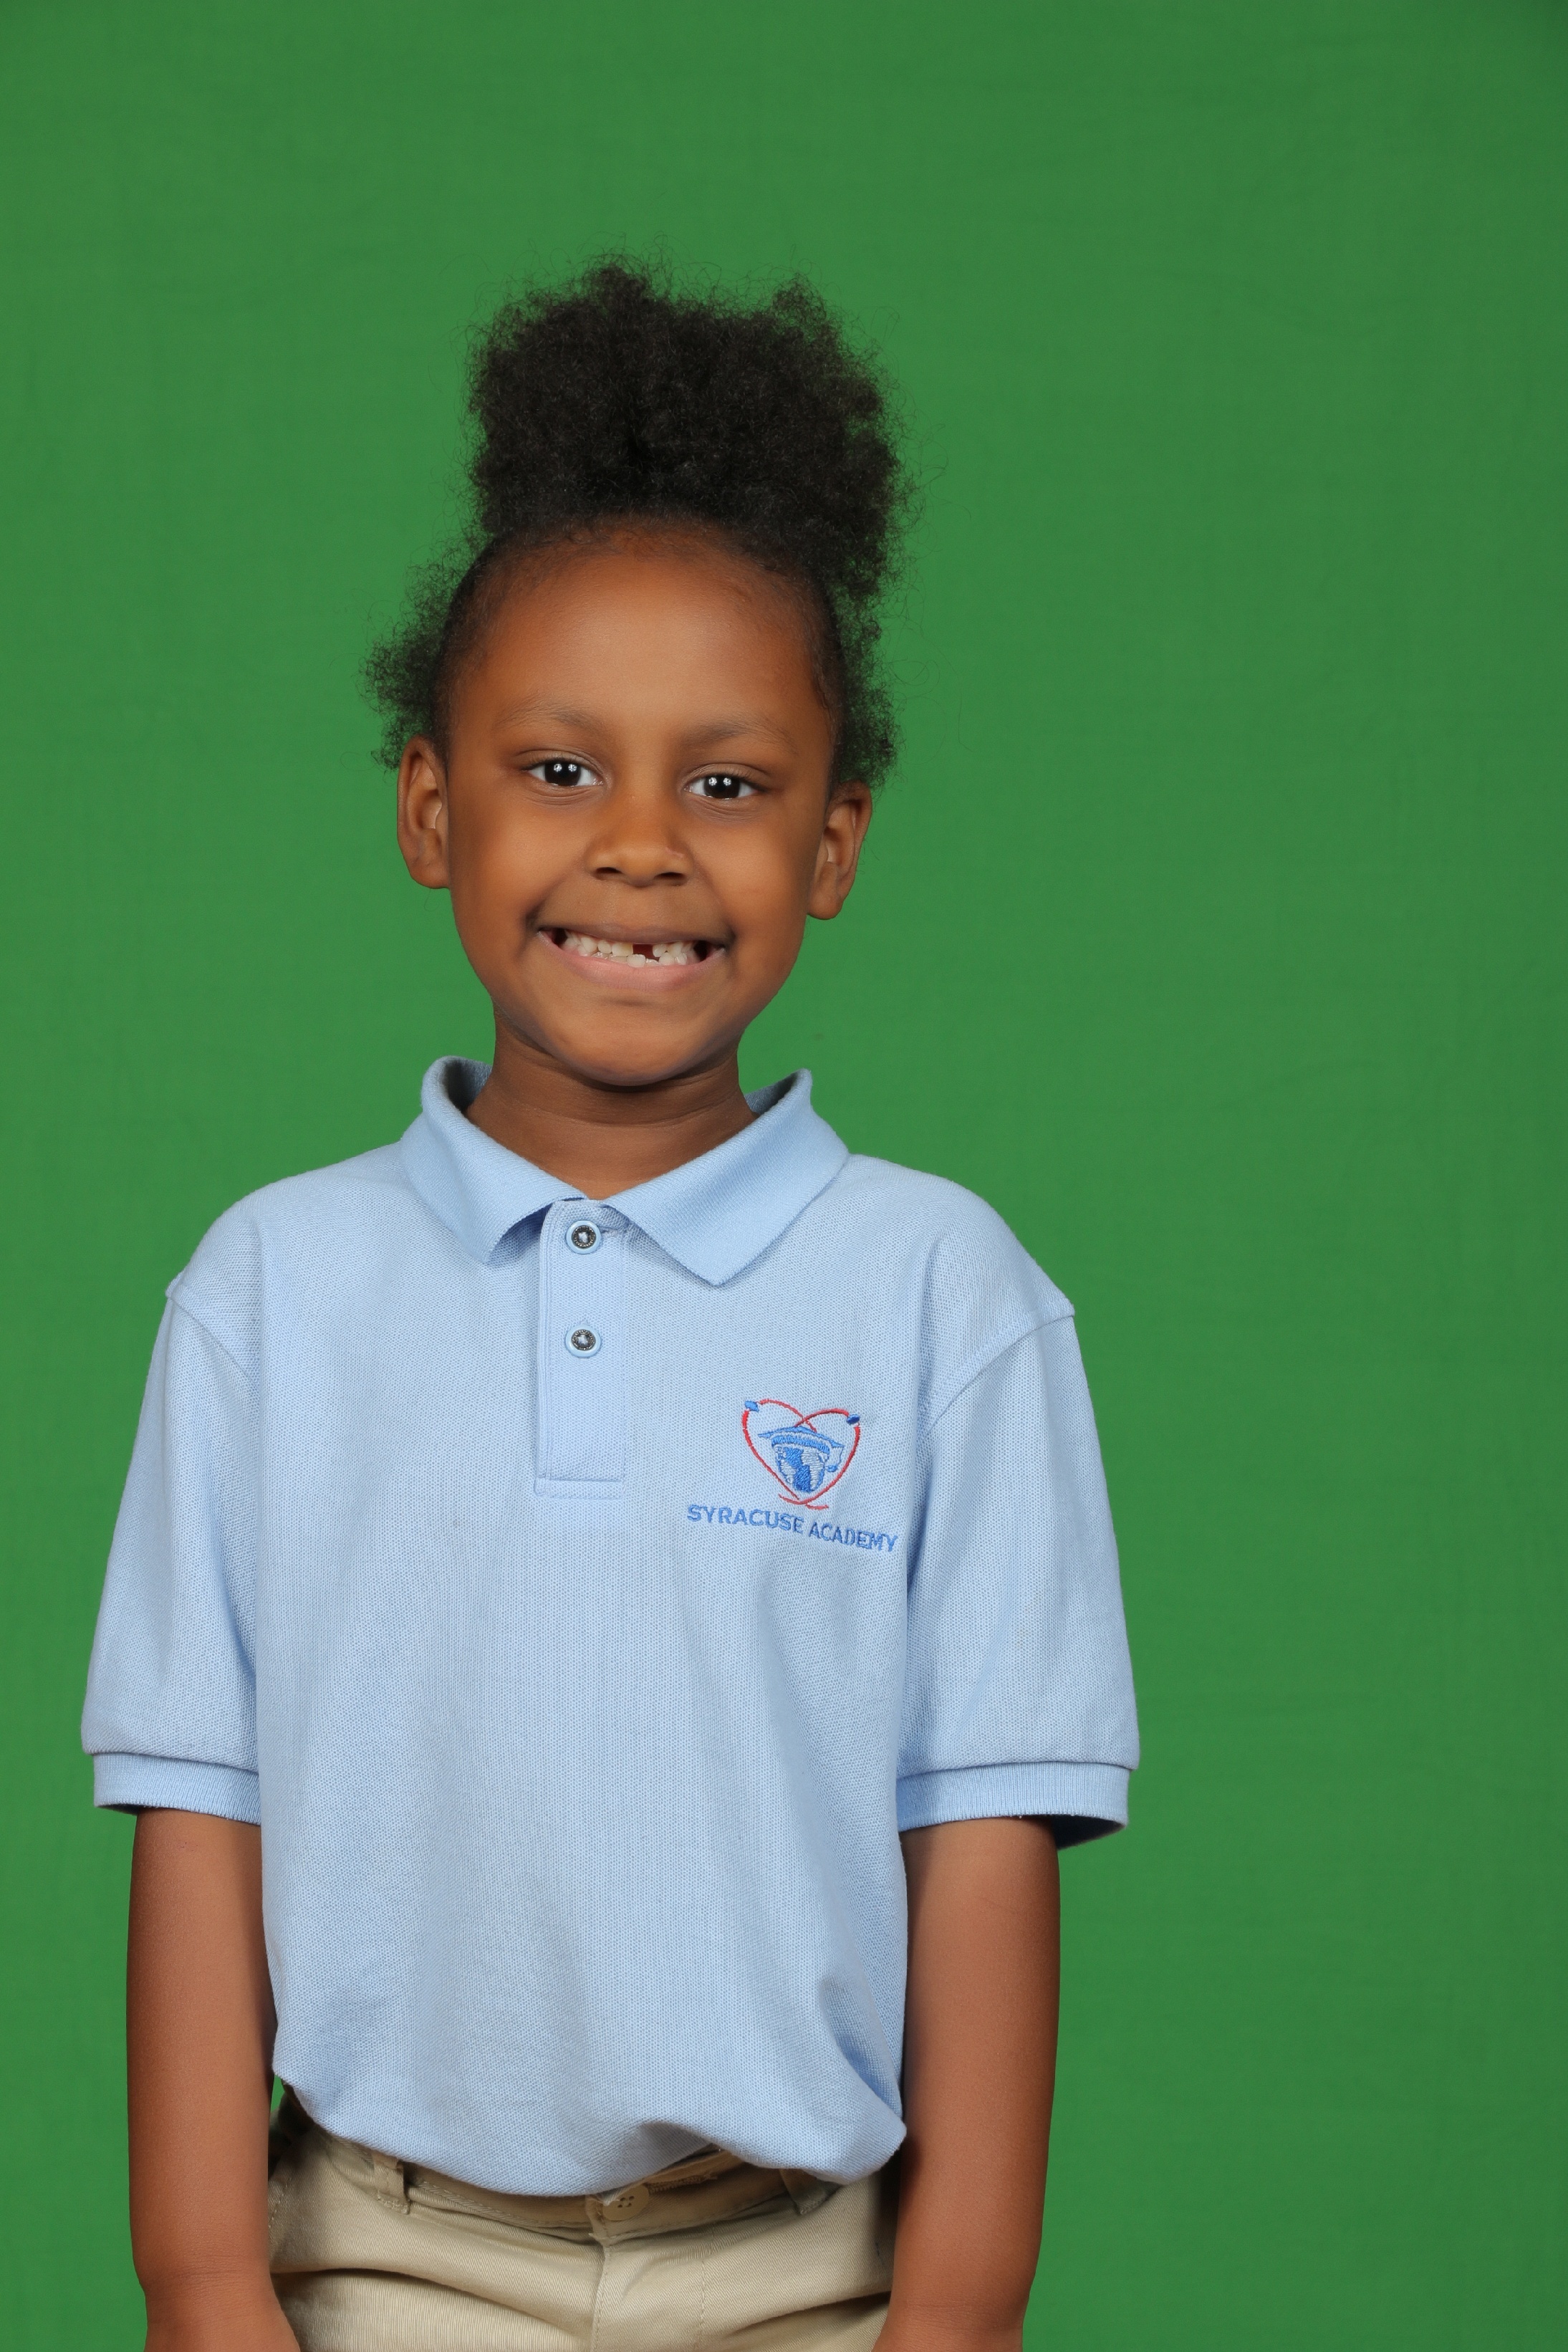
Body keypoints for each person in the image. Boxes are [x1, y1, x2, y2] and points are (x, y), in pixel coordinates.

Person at [82, 261, 1139, 2352]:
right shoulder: (270, 1294)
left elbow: (983, 1847)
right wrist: (204, 2285)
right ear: (431, 809)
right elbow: (202, 1822)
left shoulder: (949, 1298)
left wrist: (956, 2317)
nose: (643, 846)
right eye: (560, 770)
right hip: (381, 2261)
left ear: (833, 840)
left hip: (805, 2267)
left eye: (727, 785)